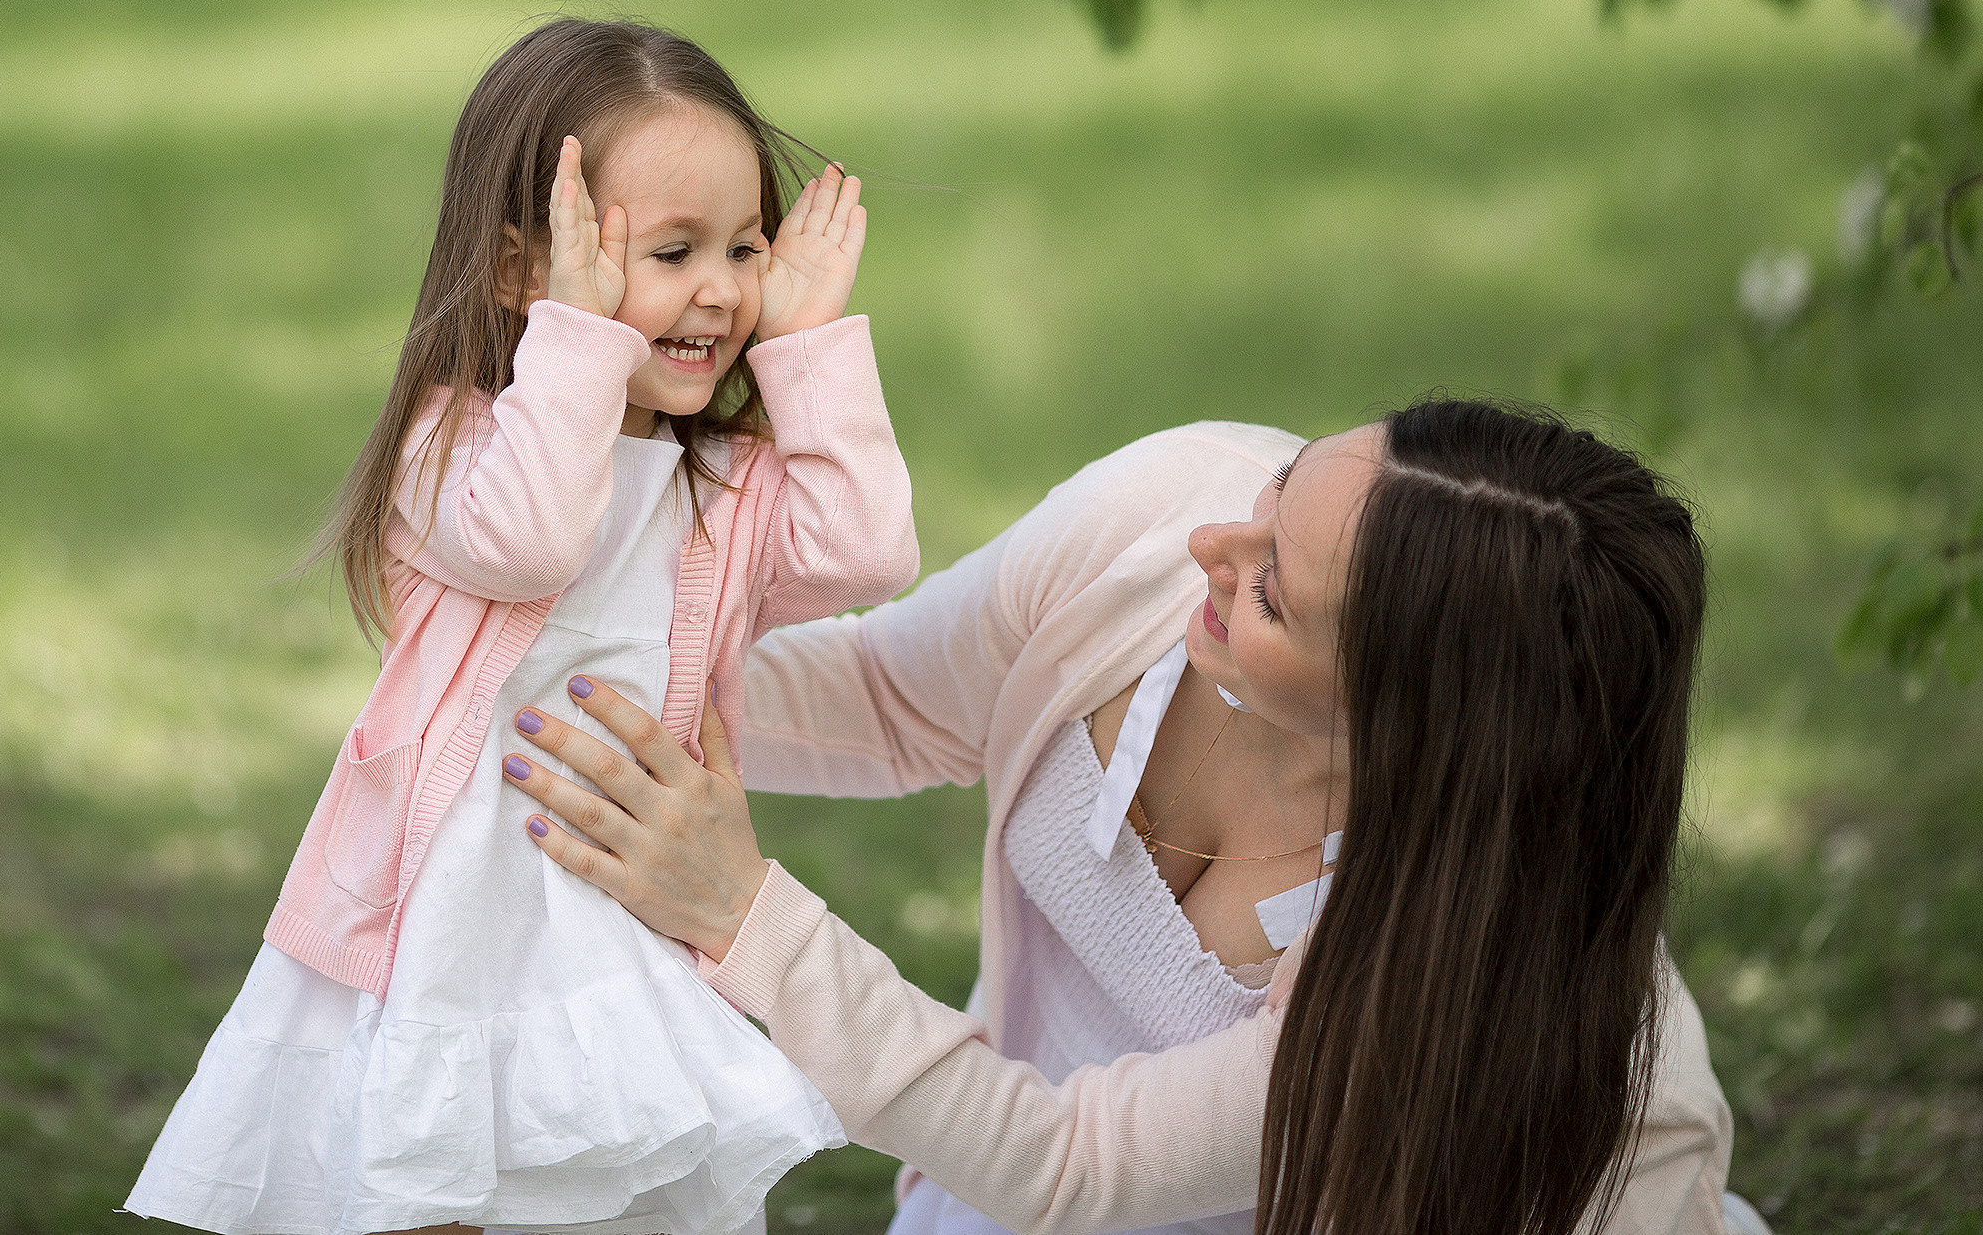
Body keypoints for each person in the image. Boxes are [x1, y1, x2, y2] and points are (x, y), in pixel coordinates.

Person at [501, 401, 1737, 1235]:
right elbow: (887, 698)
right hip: (1008, 1169)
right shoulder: (1165, 517)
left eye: (1269, 587)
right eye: (1279, 487)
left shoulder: (1465, 950)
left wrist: (745, 918)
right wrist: (578, 658)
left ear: (1403, 722)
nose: (1210, 538)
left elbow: (1077, 1167)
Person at [128, 18, 919, 1235]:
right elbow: (535, 541)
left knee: (625, 1197)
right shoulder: (452, 448)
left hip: (624, 914)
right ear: (524, 273)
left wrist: (807, 342)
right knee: (434, 1189)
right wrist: (583, 339)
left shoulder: (727, 482)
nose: (717, 288)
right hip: (455, 920)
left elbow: (867, 554)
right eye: (666, 251)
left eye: (743, 247)